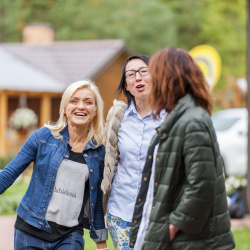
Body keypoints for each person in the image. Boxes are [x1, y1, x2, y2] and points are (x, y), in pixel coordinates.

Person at [130, 47, 235, 250]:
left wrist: (174, 225)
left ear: (168, 78)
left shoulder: (192, 120)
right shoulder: (177, 117)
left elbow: (202, 184)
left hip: (190, 241)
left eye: (154, 74)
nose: (150, 80)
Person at [0, 80, 108, 250]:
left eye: (88, 102)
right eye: (74, 101)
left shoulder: (99, 152)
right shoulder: (43, 137)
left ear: (95, 111)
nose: (81, 106)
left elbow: (96, 202)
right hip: (30, 231)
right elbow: (8, 175)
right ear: (65, 109)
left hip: (69, 235)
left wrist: (101, 244)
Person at [101, 54, 165, 249]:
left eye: (143, 71)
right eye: (131, 74)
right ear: (126, 86)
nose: (138, 77)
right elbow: (108, 157)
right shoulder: (118, 117)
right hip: (121, 212)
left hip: (158, 216)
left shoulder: (170, 117)